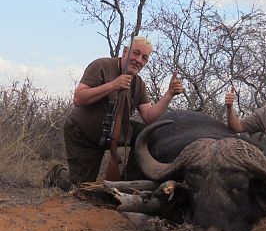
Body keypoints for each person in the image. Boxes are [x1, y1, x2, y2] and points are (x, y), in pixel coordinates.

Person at [43, 36, 184, 191]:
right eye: (135, 53)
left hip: (114, 134)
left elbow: (149, 116)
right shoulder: (101, 65)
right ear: (125, 52)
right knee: (79, 188)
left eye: (144, 58)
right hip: (83, 135)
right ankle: (56, 172)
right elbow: (78, 98)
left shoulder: (138, 83)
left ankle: (127, 182)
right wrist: (112, 86)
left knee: (149, 133)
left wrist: (170, 93)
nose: (139, 60)